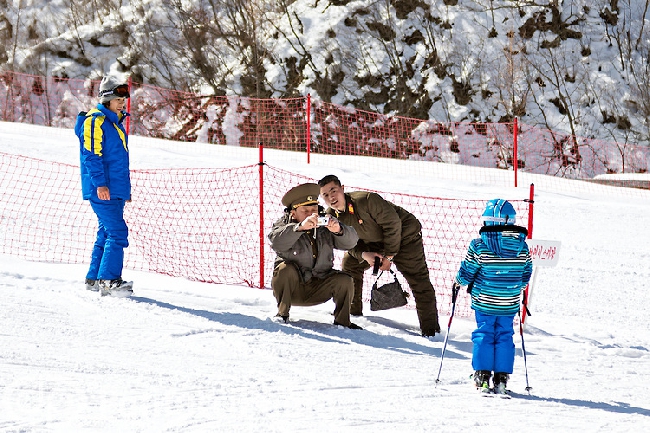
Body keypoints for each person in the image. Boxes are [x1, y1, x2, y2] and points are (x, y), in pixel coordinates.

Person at [318, 174, 441, 337]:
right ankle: (352, 314)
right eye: (325, 195)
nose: (331, 197)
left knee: (418, 279)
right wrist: (364, 254)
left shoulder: (367, 200)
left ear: (343, 189)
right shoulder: (331, 217)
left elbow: (393, 225)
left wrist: (389, 256)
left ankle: (431, 331)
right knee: (350, 263)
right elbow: (346, 241)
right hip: (375, 241)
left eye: (333, 190)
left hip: (405, 237)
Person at [453, 199, 532, 396]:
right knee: (505, 334)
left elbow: (469, 269)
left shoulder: (479, 245)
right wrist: (518, 287)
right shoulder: (522, 246)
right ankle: (502, 377)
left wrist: (459, 281)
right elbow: (526, 271)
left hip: (485, 300)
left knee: (484, 333)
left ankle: (482, 374)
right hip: (509, 301)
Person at [268, 183, 362, 329]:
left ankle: (343, 323)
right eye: (305, 210)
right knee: (284, 269)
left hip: (319, 286)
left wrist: (339, 230)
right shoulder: (284, 224)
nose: (311, 214)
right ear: (293, 213)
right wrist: (299, 228)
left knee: (344, 280)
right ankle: (282, 315)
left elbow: (352, 242)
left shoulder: (325, 226)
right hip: (293, 289)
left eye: (314, 209)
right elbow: (277, 242)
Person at [75, 75, 133, 297]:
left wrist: (123, 190)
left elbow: (118, 161)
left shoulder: (114, 123)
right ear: (107, 98)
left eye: (123, 99)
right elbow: (91, 156)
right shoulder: (96, 121)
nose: (122, 103)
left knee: (106, 231)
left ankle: (94, 278)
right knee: (118, 232)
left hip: (114, 189)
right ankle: (109, 279)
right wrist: (100, 184)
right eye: (119, 99)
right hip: (102, 189)